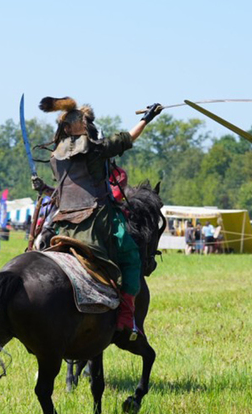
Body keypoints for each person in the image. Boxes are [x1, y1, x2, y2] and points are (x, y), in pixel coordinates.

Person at [31, 96, 163, 339]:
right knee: (132, 256)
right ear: (81, 126)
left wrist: (44, 189)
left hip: (63, 226)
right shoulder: (95, 150)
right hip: (97, 222)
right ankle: (125, 316)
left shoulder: (55, 158)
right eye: (87, 123)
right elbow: (128, 138)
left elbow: (62, 194)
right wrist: (147, 118)